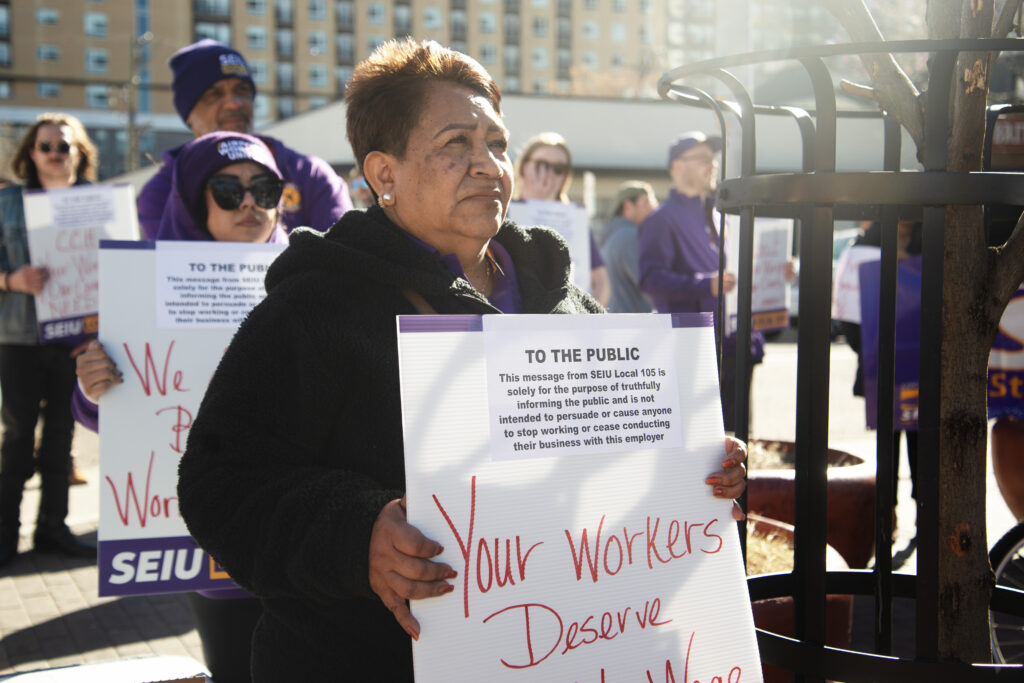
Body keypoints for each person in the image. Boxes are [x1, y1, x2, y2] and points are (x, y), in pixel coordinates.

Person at [175, 39, 748, 681]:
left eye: (497, 145)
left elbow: (617, 465)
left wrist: (696, 465)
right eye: (456, 144)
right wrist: (355, 535)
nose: (488, 166)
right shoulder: (315, 308)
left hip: (565, 653)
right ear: (382, 174)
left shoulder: (563, 301)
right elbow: (219, 486)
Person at [74, 132, 287, 683]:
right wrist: (95, 387)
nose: (249, 204)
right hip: (214, 555)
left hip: (303, 539)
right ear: (195, 200)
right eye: (227, 189)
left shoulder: (315, 281)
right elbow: (119, 414)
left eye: (266, 190)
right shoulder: (143, 290)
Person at [0, 113, 99, 567]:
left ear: (80, 152)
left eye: (65, 146)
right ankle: (5, 534)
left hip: (77, 338)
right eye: (46, 147)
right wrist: (12, 279)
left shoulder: (97, 204)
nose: (56, 155)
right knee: (18, 435)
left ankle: (52, 530)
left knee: (62, 437)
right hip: (20, 336)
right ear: (31, 154)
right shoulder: (8, 204)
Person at [136, 39, 352, 238]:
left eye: (242, 90)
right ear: (188, 115)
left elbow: (341, 259)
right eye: (214, 94)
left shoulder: (311, 175)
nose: (234, 103)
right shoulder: (160, 193)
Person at [638, 131, 764, 433]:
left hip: (737, 341)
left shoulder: (723, 215)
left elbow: (739, 269)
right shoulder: (661, 220)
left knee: (738, 439)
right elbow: (650, 279)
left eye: (713, 159)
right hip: (695, 346)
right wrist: (706, 285)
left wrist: (773, 272)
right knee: (701, 439)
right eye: (703, 159)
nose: (712, 165)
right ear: (676, 166)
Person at [514, 131, 611, 307]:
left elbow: (601, 280)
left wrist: (591, 315)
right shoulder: (504, 211)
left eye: (558, 169)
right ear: (524, 166)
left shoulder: (576, 220)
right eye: (541, 165)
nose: (548, 174)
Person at [601, 181, 657, 313]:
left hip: (619, 324)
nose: (653, 209)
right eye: (646, 203)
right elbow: (651, 286)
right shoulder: (629, 236)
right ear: (628, 206)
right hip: (634, 326)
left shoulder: (612, 236)